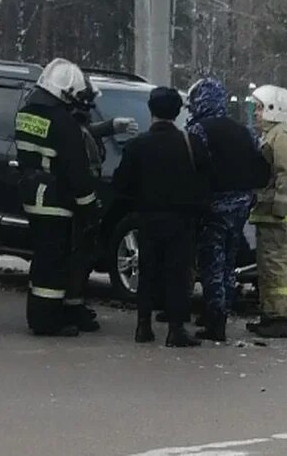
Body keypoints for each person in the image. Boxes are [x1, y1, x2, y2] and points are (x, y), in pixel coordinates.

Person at [113, 87, 210, 347]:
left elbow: (121, 183)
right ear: (178, 112)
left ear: (151, 110)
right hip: (182, 219)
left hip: (147, 217)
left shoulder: (137, 145)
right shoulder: (191, 143)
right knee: (178, 273)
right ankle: (176, 330)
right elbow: (206, 179)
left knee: (147, 272)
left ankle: (143, 326)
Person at [14, 58, 100, 337]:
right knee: (53, 263)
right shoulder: (63, 123)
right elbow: (77, 172)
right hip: (55, 199)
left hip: (31, 191)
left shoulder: (27, 112)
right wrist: (90, 209)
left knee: (44, 257)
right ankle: (46, 321)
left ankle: (47, 313)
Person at [186, 77, 268, 341]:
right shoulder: (245, 131)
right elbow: (260, 166)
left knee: (211, 262)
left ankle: (215, 319)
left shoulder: (198, 130)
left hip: (213, 205)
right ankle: (222, 309)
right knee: (229, 261)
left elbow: (195, 167)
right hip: (241, 203)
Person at [64, 86, 139, 333]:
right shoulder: (69, 125)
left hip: (85, 196)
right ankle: (70, 307)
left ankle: (74, 304)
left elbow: (86, 131)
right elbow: (80, 135)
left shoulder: (76, 124)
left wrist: (111, 126)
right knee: (77, 255)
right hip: (78, 199)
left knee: (83, 254)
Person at [247, 85, 287, 339]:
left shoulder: (282, 135)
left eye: (259, 108)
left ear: (274, 109)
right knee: (268, 267)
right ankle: (270, 315)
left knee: (277, 267)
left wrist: (280, 207)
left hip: (278, 217)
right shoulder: (273, 135)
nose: (256, 113)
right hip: (269, 215)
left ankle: (279, 319)